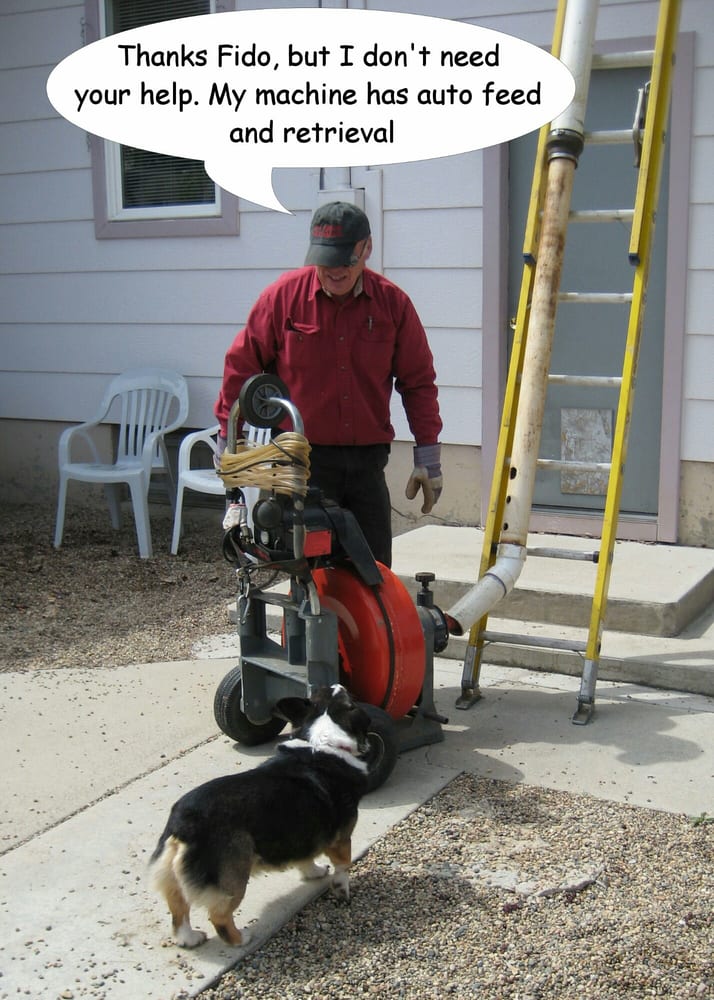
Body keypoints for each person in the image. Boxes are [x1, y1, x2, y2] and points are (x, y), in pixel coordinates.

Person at [215, 201, 442, 568]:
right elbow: (240, 371)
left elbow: (418, 383)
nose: (334, 272)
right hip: (302, 465)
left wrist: (428, 460)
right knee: (309, 578)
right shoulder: (282, 299)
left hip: (367, 464)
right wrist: (230, 456)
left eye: (345, 262)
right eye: (325, 262)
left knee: (374, 574)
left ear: (366, 248)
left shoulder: (392, 305)